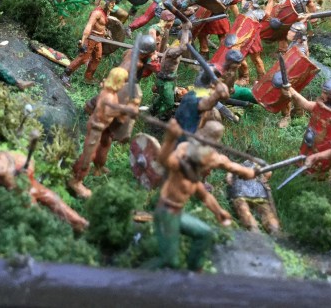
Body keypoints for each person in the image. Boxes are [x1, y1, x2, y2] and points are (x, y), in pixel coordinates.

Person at [154, 118, 256, 270]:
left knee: (205, 234)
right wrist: (169, 139)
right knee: (169, 262)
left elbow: (207, 193)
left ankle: (194, 270)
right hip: (166, 212)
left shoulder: (195, 177)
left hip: (178, 213)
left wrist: (219, 211)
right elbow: (163, 160)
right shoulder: (181, 158)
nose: (207, 166)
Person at [68, 67, 135, 198]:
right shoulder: (109, 96)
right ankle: (76, 180)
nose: (124, 84)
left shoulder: (111, 92)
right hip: (96, 127)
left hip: (101, 126)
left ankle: (96, 167)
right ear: (117, 81)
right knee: (89, 155)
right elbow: (110, 111)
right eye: (123, 81)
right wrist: (126, 110)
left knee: (102, 145)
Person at [62, 0, 116, 86]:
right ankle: (66, 74)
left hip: (99, 40)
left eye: (114, 2)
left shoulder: (106, 13)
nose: (113, 5)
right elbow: (89, 26)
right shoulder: (97, 13)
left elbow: (101, 26)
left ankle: (88, 77)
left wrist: (106, 34)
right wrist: (83, 41)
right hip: (91, 38)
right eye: (112, 2)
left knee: (97, 58)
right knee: (83, 58)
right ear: (106, 2)